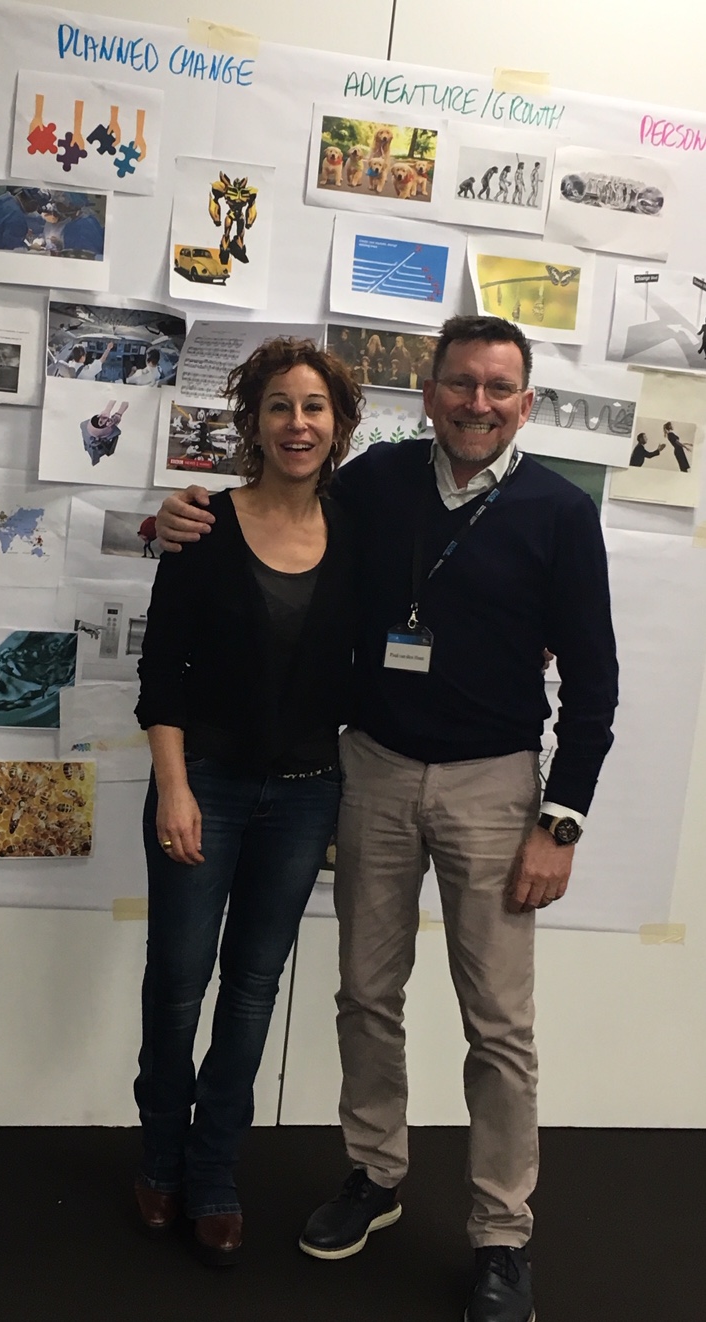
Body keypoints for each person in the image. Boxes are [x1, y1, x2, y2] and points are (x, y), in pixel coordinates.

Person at [155, 315, 619, 1322]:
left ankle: (501, 1233)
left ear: (525, 403)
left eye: (498, 388)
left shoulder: (558, 512)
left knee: (499, 1024)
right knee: (366, 993)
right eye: (460, 384)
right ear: (430, 392)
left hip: (495, 786)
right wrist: (180, 512)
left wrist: (560, 821)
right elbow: (272, 512)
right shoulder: (373, 482)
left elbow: (593, 682)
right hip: (369, 767)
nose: (477, 404)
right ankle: (375, 1172)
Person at [133, 338, 361, 1268]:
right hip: (205, 786)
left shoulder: (359, 536)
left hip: (306, 797)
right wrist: (174, 789)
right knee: (178, 983)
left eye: (314, 407)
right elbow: (161, 672)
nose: (297, 423)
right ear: (254, 423)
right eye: (279, 406)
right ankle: (160, 1154)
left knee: (254, 989)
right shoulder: (202, 526)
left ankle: (215, 1167)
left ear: (339, 424)